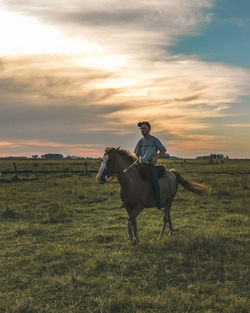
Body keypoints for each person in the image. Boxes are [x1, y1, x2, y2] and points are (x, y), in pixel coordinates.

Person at [134, 121, 167, 211]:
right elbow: (136, 154)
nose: (142, 130)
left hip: (151, 165)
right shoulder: (140, 142)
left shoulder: (154, 140)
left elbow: (163, 150)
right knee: (132, 178)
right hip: (142, 164)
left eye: (144, 128)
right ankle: (129, 200)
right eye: (141, 129)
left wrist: (156, 157)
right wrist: (137, 161)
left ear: (149, 129)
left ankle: (159, 203)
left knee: (154, 180)